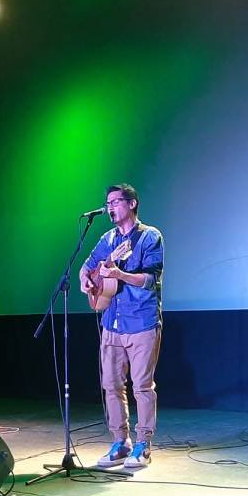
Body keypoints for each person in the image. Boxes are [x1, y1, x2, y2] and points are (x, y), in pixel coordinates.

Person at [79, 183, 164, 469]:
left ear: (132, 204)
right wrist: (86, 281)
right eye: (108, 203)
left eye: (116, 202)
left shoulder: (149, 237)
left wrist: (120, 274)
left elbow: (150, 280)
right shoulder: (108, 238)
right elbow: (86, 266)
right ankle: (120, 441)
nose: (110, 208)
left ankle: (144, 443)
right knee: (111, 385)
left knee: (141, 385)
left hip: (141, 320)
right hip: (111, 321)